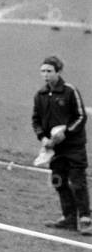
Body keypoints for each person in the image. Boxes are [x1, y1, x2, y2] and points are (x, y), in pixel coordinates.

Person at [32, 55, 89, 234]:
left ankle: (86, 219)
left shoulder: (70, 91)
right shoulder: (40, 95)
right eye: (43, 71)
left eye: (49, 71)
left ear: (58, 72)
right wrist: (43, 138)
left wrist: (67, 133)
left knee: (78, 182)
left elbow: (81, 117)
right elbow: (36, 120)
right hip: (54, 149)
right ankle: (69, 218)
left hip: (74, 147)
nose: (46, 75)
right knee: (59, 182)